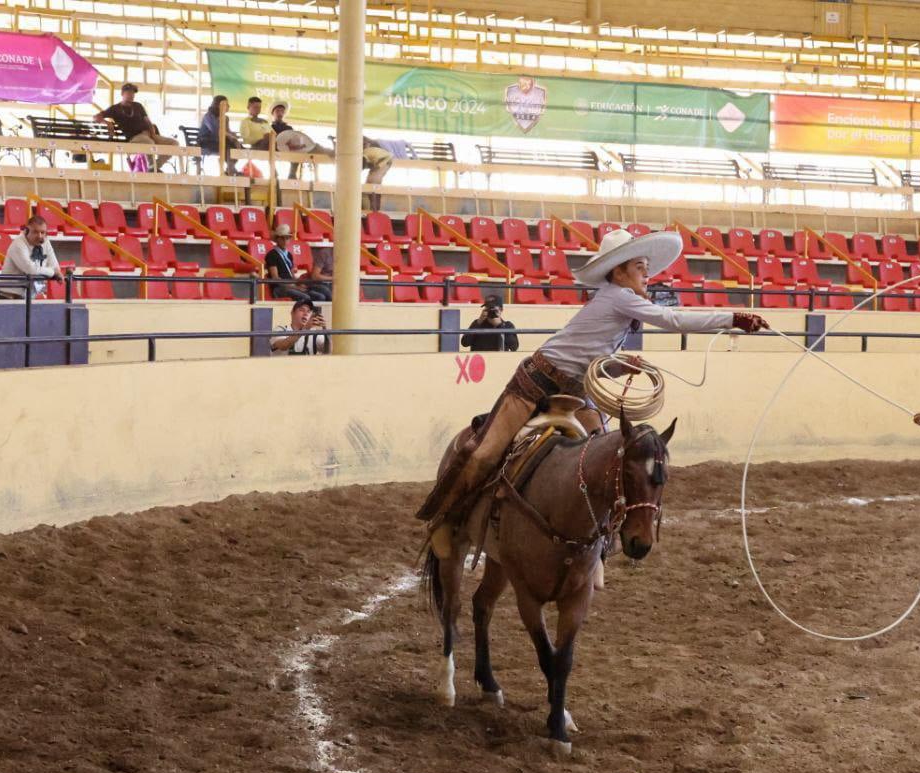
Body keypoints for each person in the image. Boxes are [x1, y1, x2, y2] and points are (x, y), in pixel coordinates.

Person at [416, 228, 770, 550]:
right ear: (619, 272)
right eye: (640, 267)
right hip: (536, 382)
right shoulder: (619, 297)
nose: (647, 274)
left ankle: (597, 541)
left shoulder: (618, 300)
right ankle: (445, 519)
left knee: (606, 456)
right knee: (484, 453)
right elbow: (672, 319)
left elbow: (591, 356)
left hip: (578, 386)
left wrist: (617, 365)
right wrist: (733, 318)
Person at [94, 83, 177, 171]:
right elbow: (96, 117)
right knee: (149, 143)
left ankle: (155, 166)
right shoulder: (115, 108)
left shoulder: (138, 106)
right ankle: (152, 165)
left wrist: (153, 134)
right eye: (129, 93)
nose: (132, 95)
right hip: (134, 138)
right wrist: (107, 123)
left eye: (133, 93)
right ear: (122, 93)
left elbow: (147, 121)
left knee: (174, 144)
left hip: (148, 134)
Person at [0, 215, 64, 296]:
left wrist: (54, 271)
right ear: (26, 231)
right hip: (8, 296)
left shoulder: (45, 242)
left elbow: (55, 266)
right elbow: (31, 270)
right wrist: (52, 272)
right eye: (35, 232)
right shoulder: (18, 244)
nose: (40, 236)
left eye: (42, 232)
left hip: (29, 296)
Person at [264, 224, 329, 301]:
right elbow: (276, 279)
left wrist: (300, 283)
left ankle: (315, 313)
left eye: (287, 238)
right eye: (282, 238)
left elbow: (292, 275)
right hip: (280, 288)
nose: (285, 241)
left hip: (292, 285)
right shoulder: (272, 254)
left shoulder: (289, 255)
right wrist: (294, 287)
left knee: (320, 296)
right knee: (305, 298)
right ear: (277, 239)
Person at [271, 102, 334, 179]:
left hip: (293, 148)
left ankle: (332, 153)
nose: (280, 113)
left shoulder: (289, 128)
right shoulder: (271, 127)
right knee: (297, 151)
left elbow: (293, 139)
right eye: (277, 111)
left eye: (282, 111)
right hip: (278, 148)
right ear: (273, 113)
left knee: (313, 146)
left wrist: (300, 144)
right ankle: (288, 174)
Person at [199, 95, 240, 176]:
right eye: (227, 104)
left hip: (220, 141)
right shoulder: (209, 116)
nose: (229, 106)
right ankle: (231, 169)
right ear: (219, 105)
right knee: (228, 145)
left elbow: (227, 131)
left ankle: (230, 168)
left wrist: (234, 138)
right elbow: (215, 130)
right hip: (207, 141)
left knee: (236, 145)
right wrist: (230, 136)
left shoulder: (226, 118)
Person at [362, 136, 394, 213]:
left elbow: (361, 167)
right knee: (370, 185)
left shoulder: (365, 153)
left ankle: (374, 210)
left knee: (372, 185)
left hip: (384, 161)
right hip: (384, 161)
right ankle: (374, 209)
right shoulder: (372, 149)